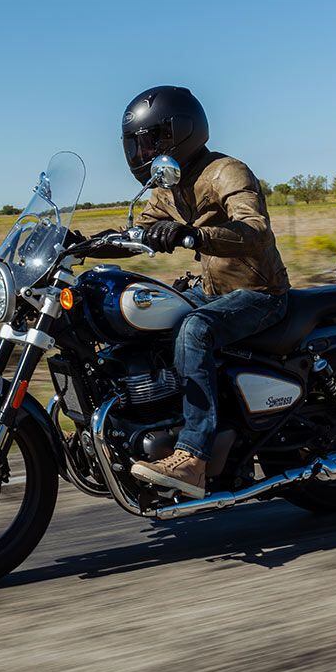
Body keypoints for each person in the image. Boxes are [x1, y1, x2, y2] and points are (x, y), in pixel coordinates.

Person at [109, 85, 291, 497]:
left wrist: (192, 236)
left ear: (181, 131)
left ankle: (193, 457)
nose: (144, 151)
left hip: (259, 293)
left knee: (194, 330)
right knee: (140, 317)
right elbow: (137, 231)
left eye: (151, 140)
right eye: (137, 143)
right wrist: (83, 242)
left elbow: (255, 229)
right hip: (213, 292)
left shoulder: (226, 171)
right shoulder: (169, 186)